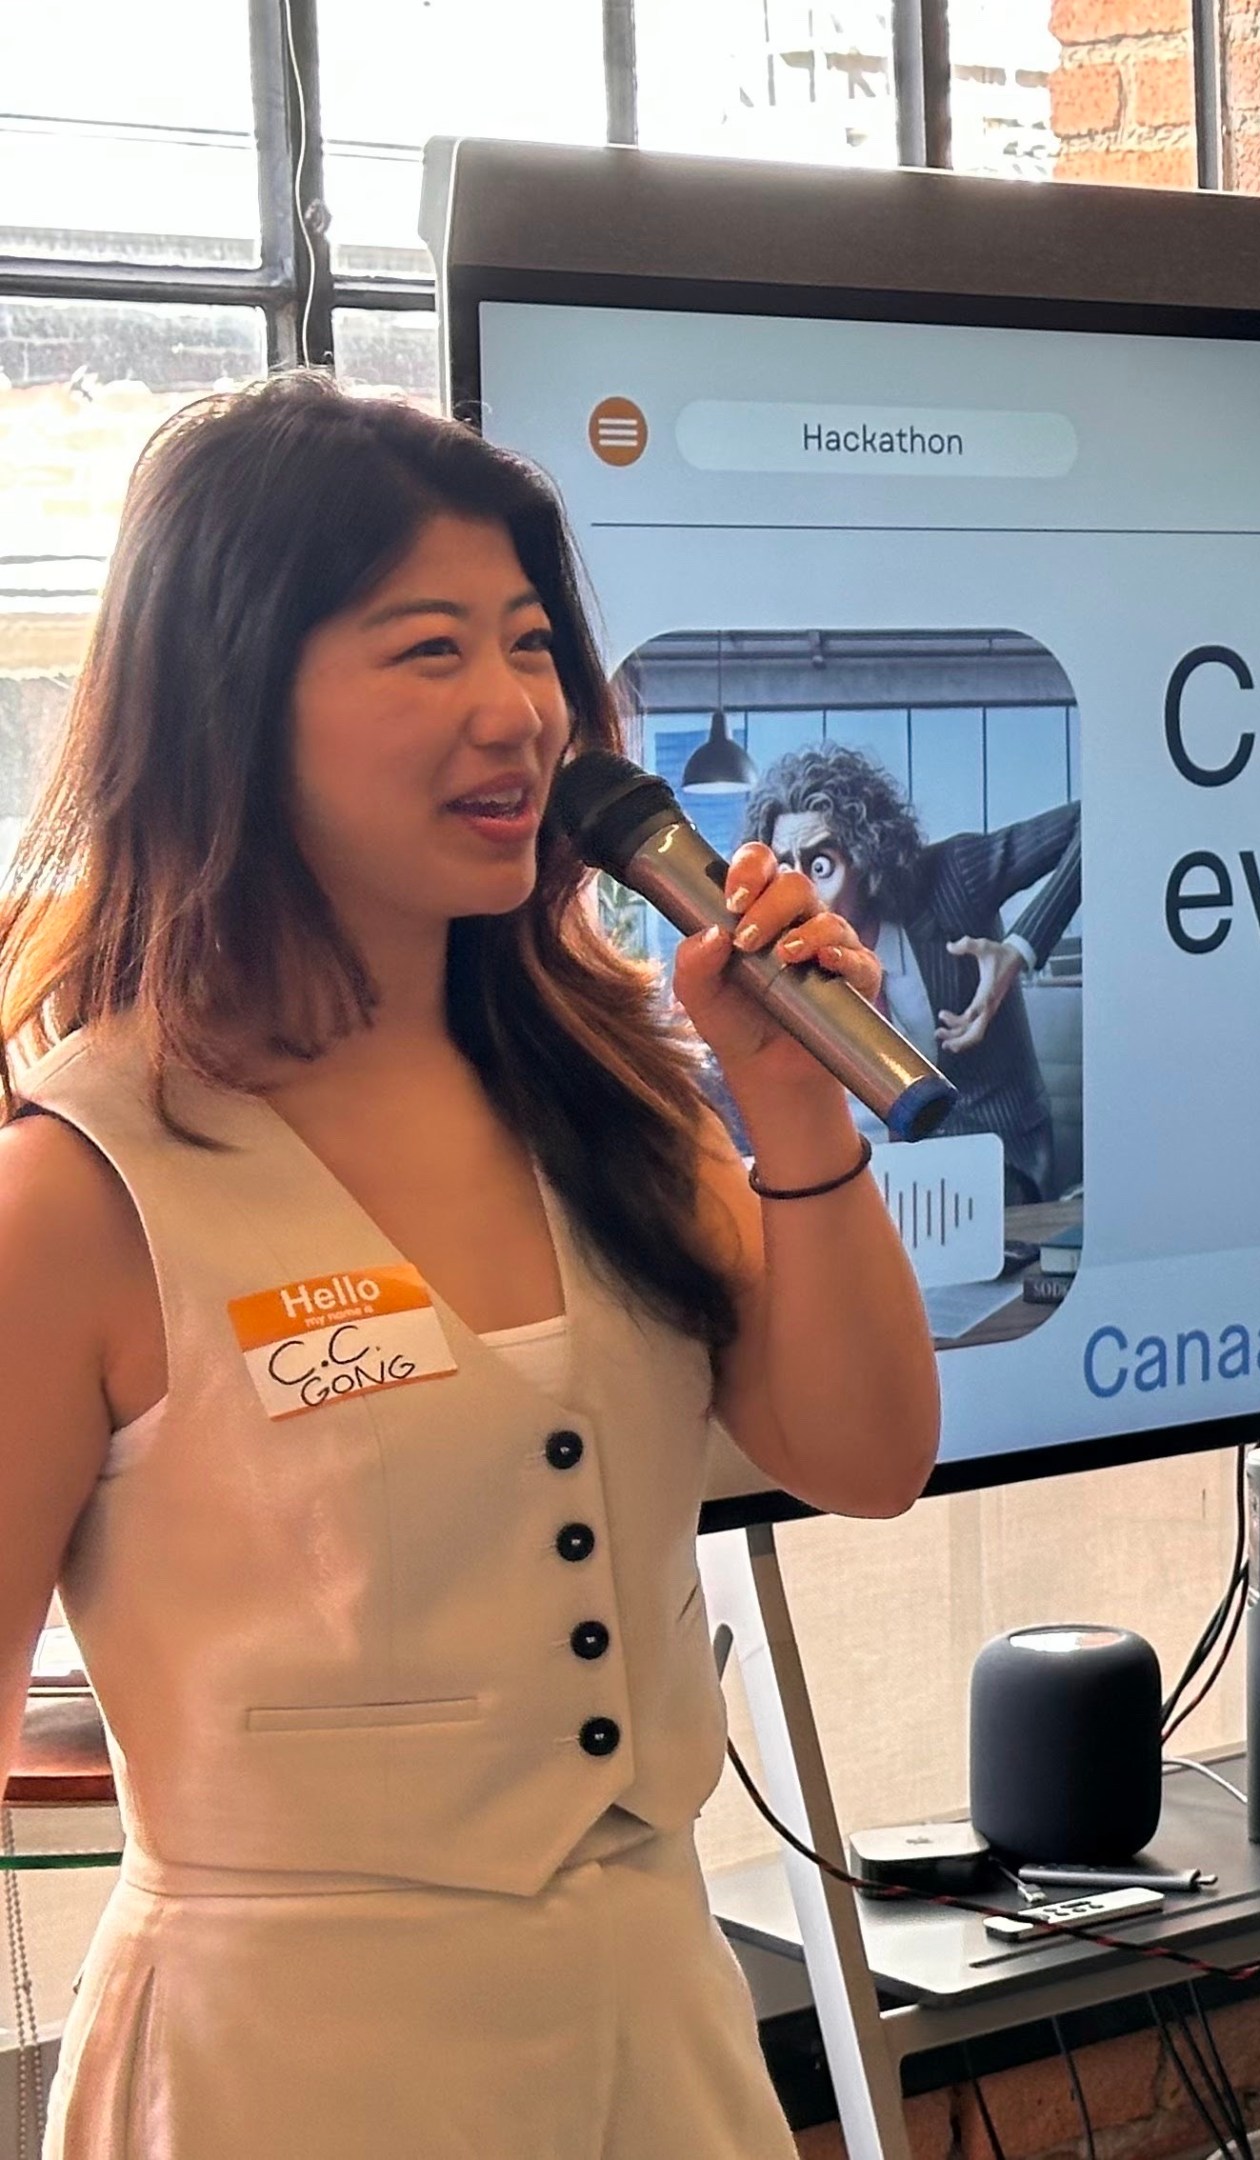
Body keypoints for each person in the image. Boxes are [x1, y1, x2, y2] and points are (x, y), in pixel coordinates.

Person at [0, 374, 941, 2157]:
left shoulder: (604, 1098)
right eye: (426, 651)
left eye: (530, 645)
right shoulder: (82, 1184)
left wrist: (789, 1105)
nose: (517, 711)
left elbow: (869, 1455)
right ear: (232, 691)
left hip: (655, 2030)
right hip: (279, 2068)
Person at [739, 740, 1079, 1202]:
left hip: (986, 1161)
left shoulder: (952, 878)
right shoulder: (783, 950)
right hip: (854, 1173)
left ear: (866, 855)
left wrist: (1018, 951)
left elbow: (1096, 818)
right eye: (785, 870)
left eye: (821, 865)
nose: (801, 891)